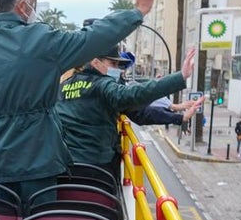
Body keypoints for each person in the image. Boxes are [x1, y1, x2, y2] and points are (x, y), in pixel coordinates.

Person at [0, 0, 161, 205]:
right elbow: (92, 38)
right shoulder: (42, 41)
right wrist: (137, 12)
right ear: (23, 6)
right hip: (39, 162)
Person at [56, 44, 190, 181]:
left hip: (63, 166)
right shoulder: (103, 85)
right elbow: (134, 96)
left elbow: (139, 112)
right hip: (97, 166)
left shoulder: (63, 86)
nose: (116, 69)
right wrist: (179, 78)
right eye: (112, 63)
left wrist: (179, 117)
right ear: (96, 62)